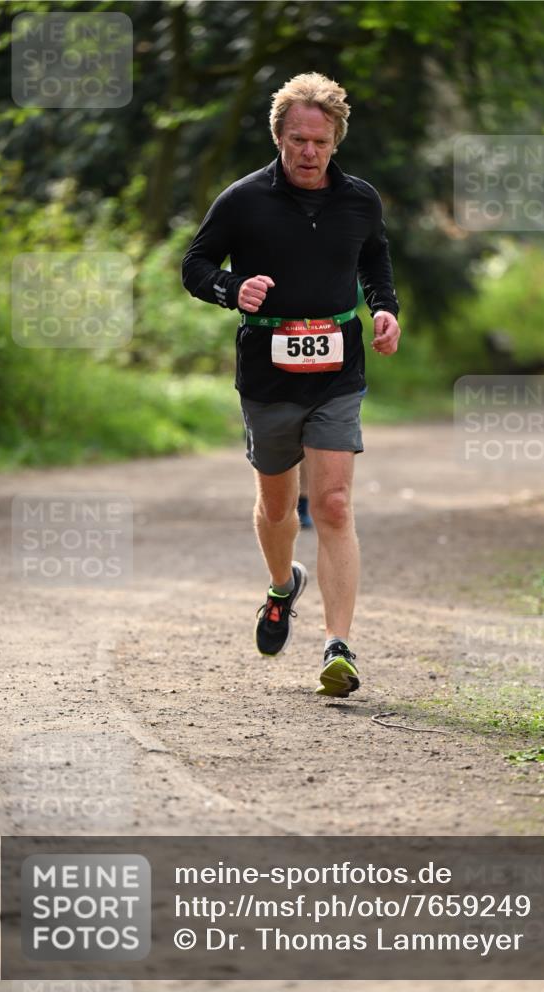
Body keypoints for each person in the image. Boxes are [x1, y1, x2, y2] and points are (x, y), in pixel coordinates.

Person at [182, 72, 400, 697]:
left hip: (337, 369)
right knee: (278, 507)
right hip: (267, 371)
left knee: (331, 504)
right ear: (279, 137)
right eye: (298, 140)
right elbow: (195, 265)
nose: (309, 152)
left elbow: (374, 257)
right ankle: (282, 588)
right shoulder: (243, 199)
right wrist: (231, 289)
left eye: (321, 142)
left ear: (336, 142)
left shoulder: (360, 199)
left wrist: (384, 308)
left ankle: (339, 646)